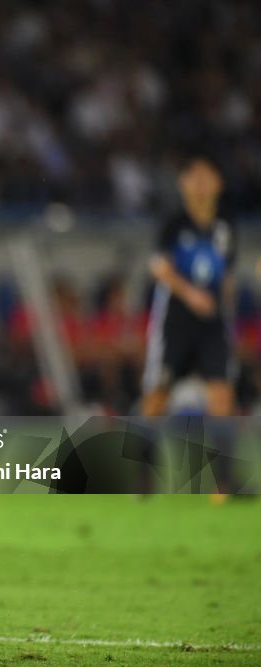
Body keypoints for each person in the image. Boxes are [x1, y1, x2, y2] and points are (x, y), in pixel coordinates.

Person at [141, 154, 237, 496]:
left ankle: (224, 484)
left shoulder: (226, 227)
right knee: (156, 398)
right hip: (175, 324)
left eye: (206, 176)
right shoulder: (173, 223)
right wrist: (191, 294)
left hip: (212, 325)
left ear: (218, 183)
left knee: (222, 397)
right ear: (183, 184)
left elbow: (226, 278)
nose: (199, 183)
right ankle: (143, 480)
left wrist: (226, 315)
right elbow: (160, 267)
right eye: (192, 176)